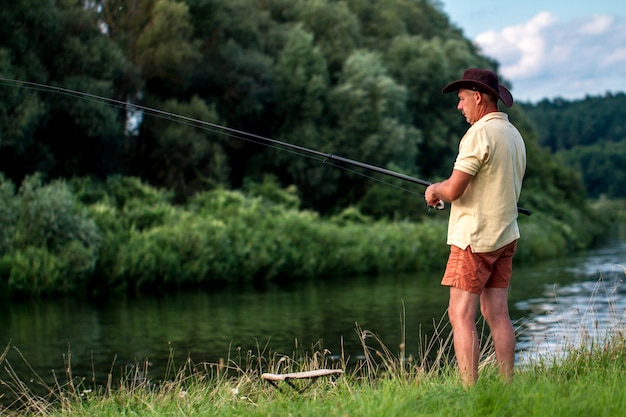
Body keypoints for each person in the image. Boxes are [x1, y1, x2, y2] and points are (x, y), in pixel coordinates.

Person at [424, 68, 526, 386]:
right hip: (506, 236)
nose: (459, 106)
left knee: (460, 314)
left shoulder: (479, 133)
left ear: (478, 98)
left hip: (474, 240)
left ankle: (470, 392)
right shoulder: (513, 135)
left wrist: (435, 191)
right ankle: (507, 387)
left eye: (462, 99)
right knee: (498, 314)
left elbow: (454, 190)